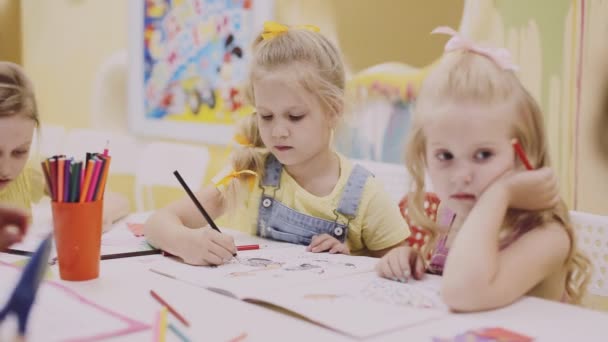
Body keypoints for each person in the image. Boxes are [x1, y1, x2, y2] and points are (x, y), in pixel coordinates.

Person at [144, 21, 410, 266]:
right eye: (266, 116)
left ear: (333, 111)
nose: (278, 131)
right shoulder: (248, 172)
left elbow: (403, 263)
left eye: (295, 117)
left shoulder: (365, 195)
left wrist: (351, 260)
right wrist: (186, 242)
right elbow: (156, 223)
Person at [376, 27, 590, 311]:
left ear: (522, 153)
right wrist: (414, 262)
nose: (462, 175)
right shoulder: (450, 213)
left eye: (483, 154)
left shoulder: (547, 236)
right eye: (445, 155)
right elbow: (454, 281)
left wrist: (500, 193)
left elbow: (464, 294)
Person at [0, 61, 129, 230]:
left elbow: (118, 200)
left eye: (20, 152)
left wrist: (98, 214)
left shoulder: (28, 173)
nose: (6, 170)